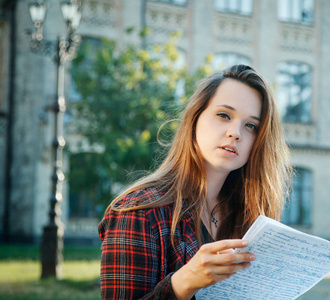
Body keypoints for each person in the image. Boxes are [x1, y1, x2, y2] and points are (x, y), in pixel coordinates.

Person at [98, 64, 292, 299]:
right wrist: (183, 283)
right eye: (224, 115)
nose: (236, 132)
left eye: (251, 126)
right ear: (195, 119)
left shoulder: (249, 219)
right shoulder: (140, 211)